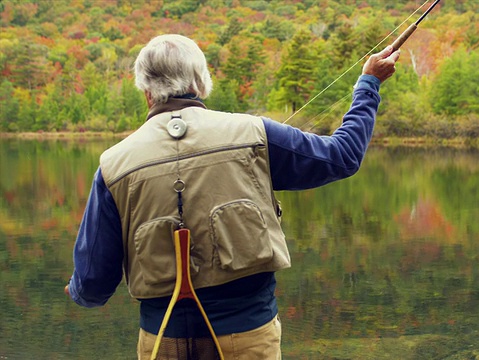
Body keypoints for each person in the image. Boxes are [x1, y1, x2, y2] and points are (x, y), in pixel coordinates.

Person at [65, 34, 399, 359]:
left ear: (147, 93)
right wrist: (367, 86)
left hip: (161, 341)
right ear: (201, 83)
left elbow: (94, 284)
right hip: (249, 337)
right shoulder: (254, 133)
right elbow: (343, 156)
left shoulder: (113, 166)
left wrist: (79, 292)